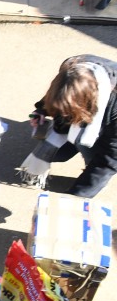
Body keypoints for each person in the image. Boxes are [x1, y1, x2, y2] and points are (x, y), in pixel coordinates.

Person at [18, 54, 117, 197]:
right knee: (58, 153)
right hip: (92, 111)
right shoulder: (72, 68)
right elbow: (60, 92)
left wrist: (75, 197)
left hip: (110, 128)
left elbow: (109, 159)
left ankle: (89, 162)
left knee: (92, 154)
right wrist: (42, 109)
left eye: (68, 112)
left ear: (87, 103)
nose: (62, 115)